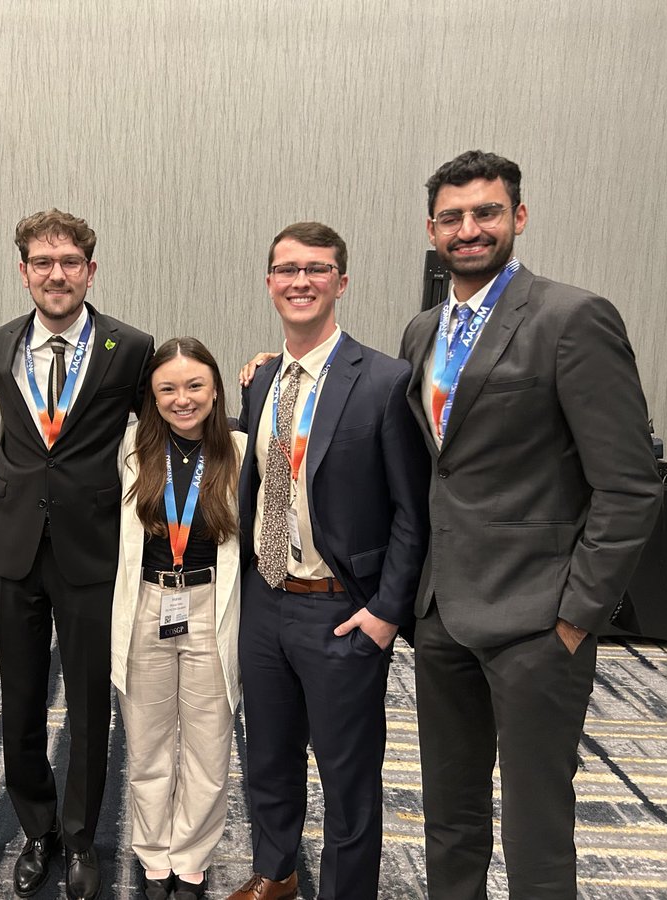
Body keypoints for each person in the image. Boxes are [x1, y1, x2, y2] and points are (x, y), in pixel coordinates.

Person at [399, 150, 662, 899]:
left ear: (518, 217)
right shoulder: (422, 333)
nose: (469, 229)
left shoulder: (571, 317)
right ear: (432, 230)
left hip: (538, 622)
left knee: (536, 823)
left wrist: (578, 616)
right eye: (452, 217)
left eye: (485, 212)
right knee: (448, 815)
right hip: (443, 612)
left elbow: (629, 483)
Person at [230, 222, 430, 900]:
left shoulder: (383, 380)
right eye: (287, 269)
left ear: (341, 282)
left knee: (347, 777)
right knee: (268, 757)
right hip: (264, 602)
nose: (300, 281)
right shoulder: (260, 382)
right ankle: (275, 869)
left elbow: (413, 508)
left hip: (341, 609)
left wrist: (385, 611)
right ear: (269, 283)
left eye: (317, 269)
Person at [0, 209, 154, 900]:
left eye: (70, 261)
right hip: (11, 548)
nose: (57, 274)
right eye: (42, 262)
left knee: (88, 705)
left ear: (91, 268)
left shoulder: (130, 347)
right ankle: (36, 829)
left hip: (91, 550)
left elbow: (169, 421)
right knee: (18, 701)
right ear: (23, 271)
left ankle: (81, 837)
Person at [111, 337, 246, 900]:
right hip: (146, 604)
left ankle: (192, 857)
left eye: (195, 385)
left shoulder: (239, 448)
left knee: (209, 743)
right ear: (152, 394)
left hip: (211, 605)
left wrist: (260, 369)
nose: (182, 399)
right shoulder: (130, 447)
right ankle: (153, 853)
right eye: (168, 388)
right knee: (147, 741)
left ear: (215, 390)